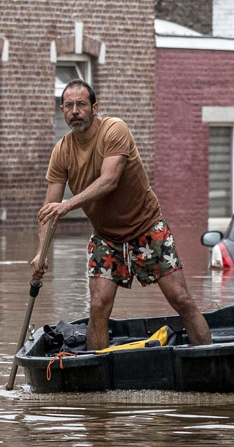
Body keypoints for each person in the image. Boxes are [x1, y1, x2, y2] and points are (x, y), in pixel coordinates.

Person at [29, 79, 213, 349]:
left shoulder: (115, 130)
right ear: (62, 111)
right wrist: (39, 254)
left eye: (81, 104)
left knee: (182, 300)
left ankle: (209, 358)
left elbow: (109, 181)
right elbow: (48, 212)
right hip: (106, 239)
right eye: (69, 106)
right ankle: (96, 375)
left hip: (147, 228)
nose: (75, 111)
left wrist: (68, 205)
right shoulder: (62, 151)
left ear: (95, 107)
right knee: (98, 306)